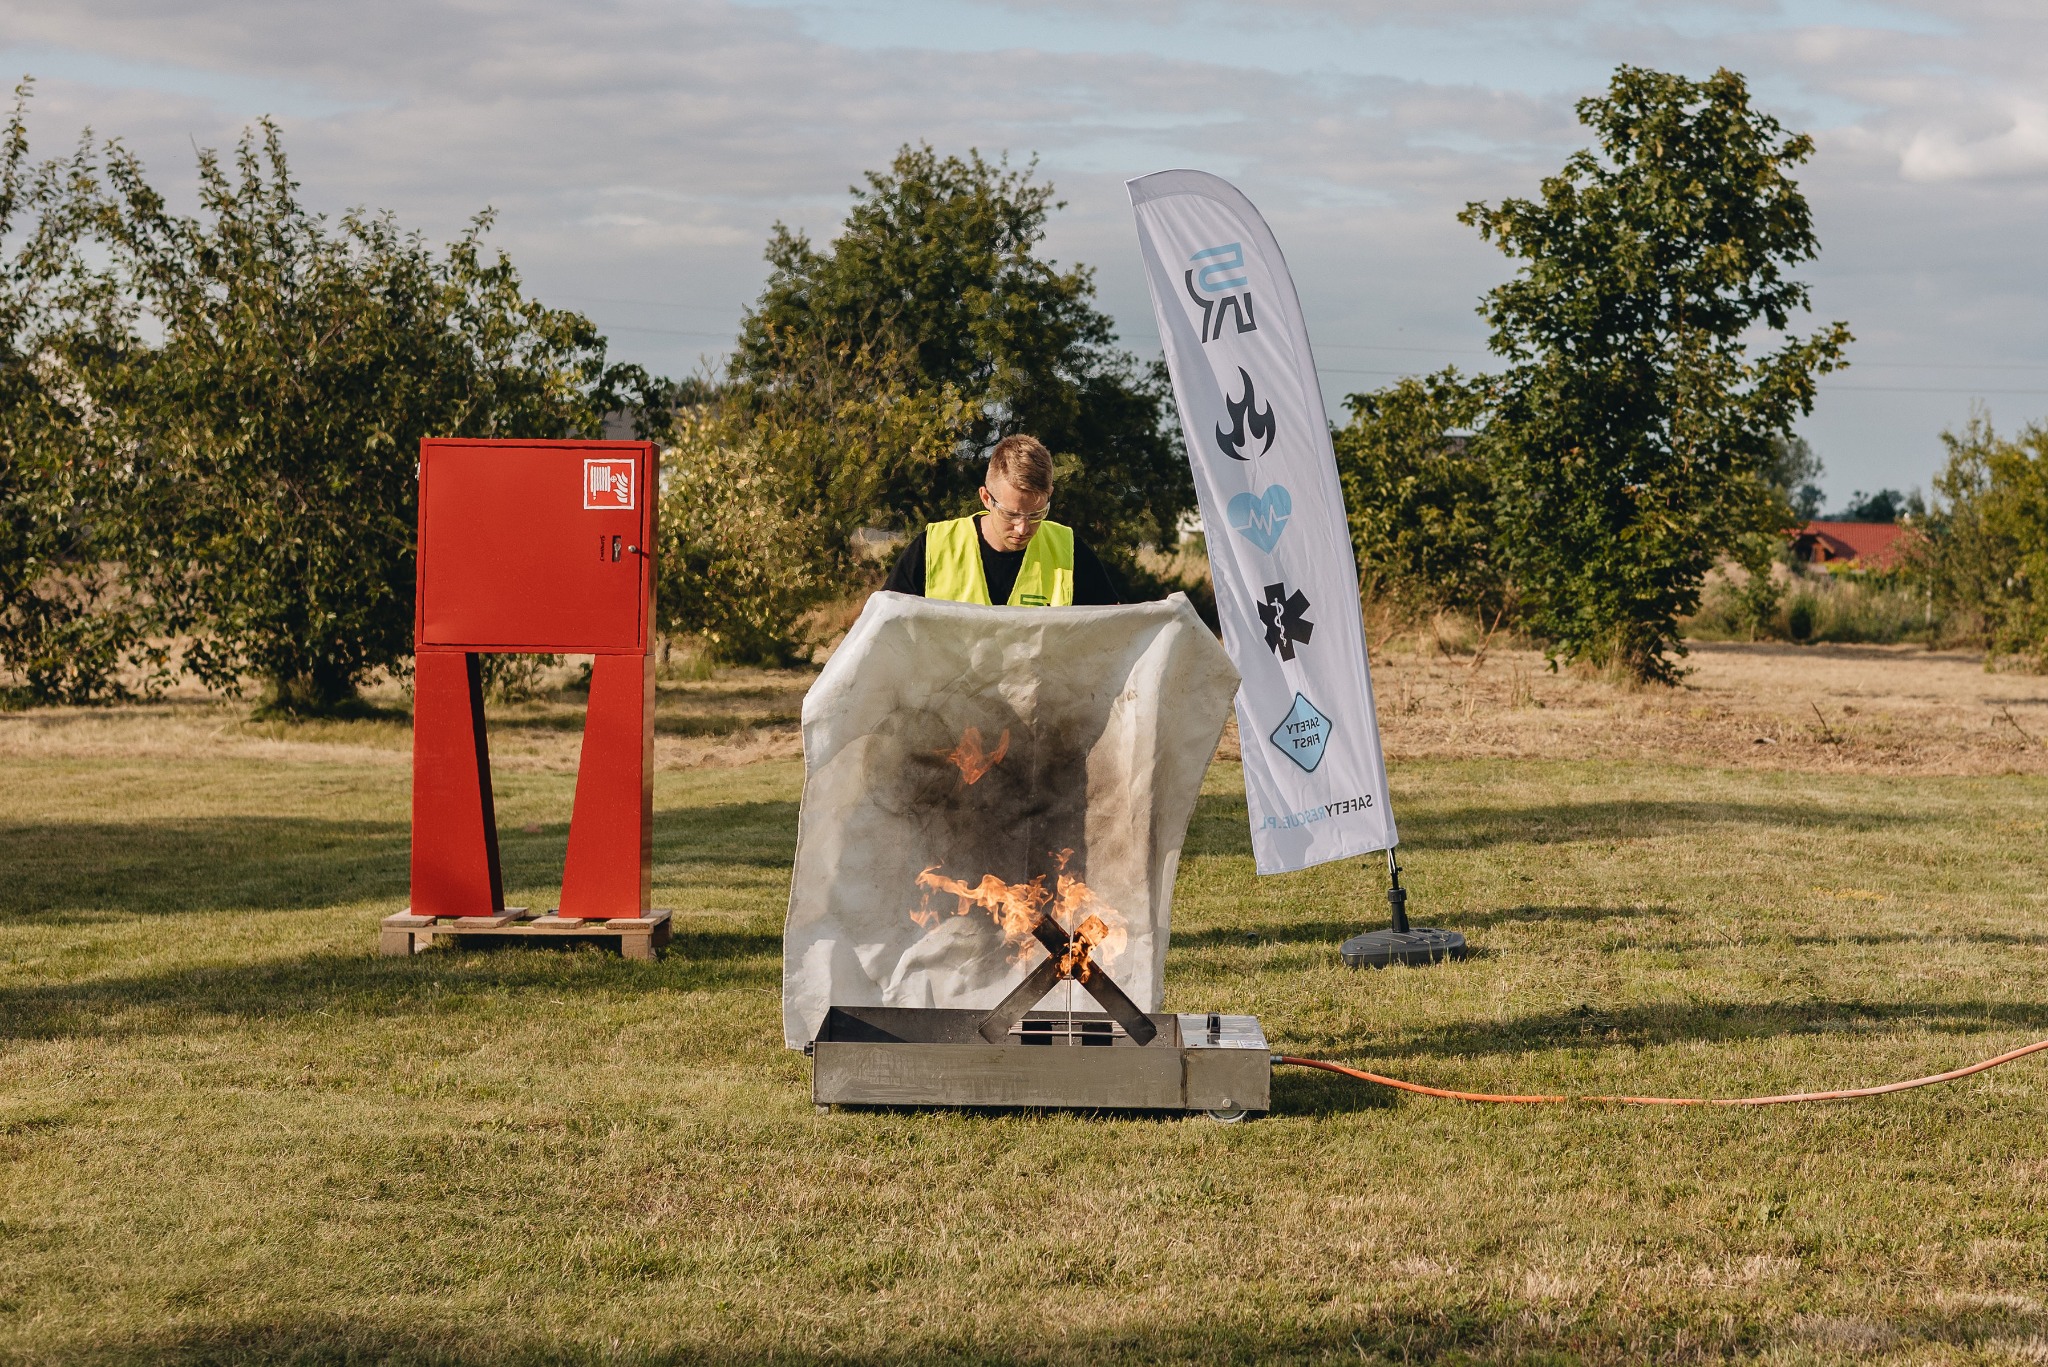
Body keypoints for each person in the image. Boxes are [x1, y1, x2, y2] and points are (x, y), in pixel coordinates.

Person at [882, 434, 1121, 605]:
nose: (1023, 527)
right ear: (986, 498)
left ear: (1050, 496)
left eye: (1036, 514)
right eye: (1011, 514)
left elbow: (1113, 633)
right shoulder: (933, 547)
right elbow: (881, 630)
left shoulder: (1070, 552)